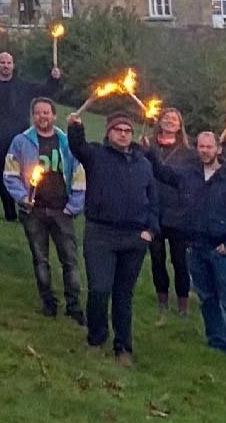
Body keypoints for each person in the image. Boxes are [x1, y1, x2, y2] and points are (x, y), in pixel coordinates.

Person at [66, 107, 159, 365]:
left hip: (134, 238)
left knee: (123, 295)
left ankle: (123, 348)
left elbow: (154, 200)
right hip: (101, 234)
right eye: (118, 130)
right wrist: (75, 126)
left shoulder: (143, 163)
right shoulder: (96, 154)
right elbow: (78, 147)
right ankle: (96, 338)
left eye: (128, 131)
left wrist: (150, 231)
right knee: (99, 289)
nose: (123, 134)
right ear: (109, 133)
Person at [2, 96, 86, 321]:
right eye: (38, 113)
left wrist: (75, 205)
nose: (42, 117)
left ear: (54, 115)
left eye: (46, 112)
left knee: (69, 259)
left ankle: (74, 305)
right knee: (40, 258)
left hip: (62, 210)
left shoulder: (66, 143)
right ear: (33, 116)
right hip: (34, 211)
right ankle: (48, 302)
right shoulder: (21, 142)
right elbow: (10, 175)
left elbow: (79, 175)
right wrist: (22, 198)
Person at [178, 129, 226, 358]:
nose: (205, 151)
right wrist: (148, 151)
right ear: (196, 148)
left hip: (221, 250)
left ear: (218, 149)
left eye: (209, 147)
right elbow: (163, 174)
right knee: (207, 297)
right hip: (196, 247)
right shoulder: (191, 174)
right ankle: (216, 341)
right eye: (201, 146)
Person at [0, 49, 62, 221]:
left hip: (21, 139)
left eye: (9, 62)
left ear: (13, 65)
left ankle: (27, 206)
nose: (5, 66)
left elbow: (46, 90)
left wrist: (54, 78)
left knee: (26, 174)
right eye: (2, 62)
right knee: (5, 176)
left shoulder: (22, 86)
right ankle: (9, 214)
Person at [146, 106, 198, 318]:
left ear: (180, 125)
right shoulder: (148, 146)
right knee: (157, 259)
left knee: (180, 261)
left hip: (179, 213)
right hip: (153, 209)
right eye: (166, 118)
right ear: (159, 121)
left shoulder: (189, 152)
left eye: (174, 119)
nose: (169, 121)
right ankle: (162, 301)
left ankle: (183, 305)